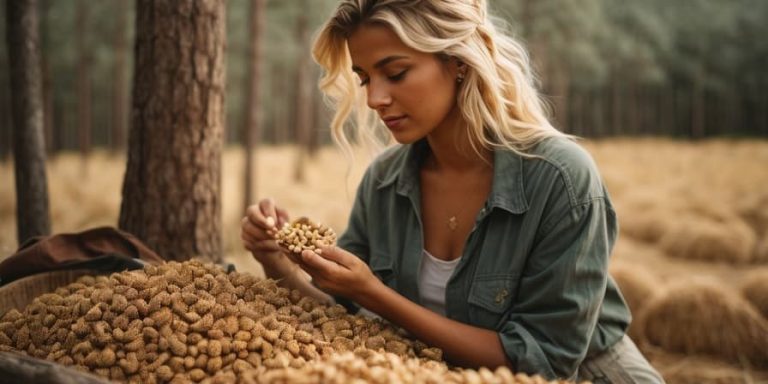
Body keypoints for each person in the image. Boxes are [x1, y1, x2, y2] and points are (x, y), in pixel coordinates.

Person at [241, 1, 664, 382]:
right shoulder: (384, 181)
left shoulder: (561, 178)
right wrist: (277, 259)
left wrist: (374, 293)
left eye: (396, 73)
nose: (374, 99)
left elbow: (543, 362)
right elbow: (343, 316)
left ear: (458, 62)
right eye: (364, 78)